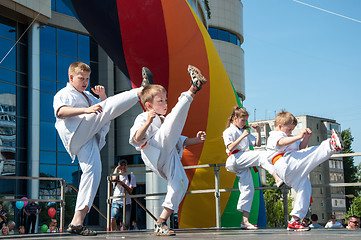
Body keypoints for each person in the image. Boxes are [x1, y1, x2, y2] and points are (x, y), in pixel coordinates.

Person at [53, 62, 143, 236]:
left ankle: (77, 222)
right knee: (103, 109)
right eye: (81, 78)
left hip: (88, 137)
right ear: (71, 77)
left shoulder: (87, 96)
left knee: (94, 172)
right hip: (76, 134)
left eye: (87, 78)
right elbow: (60, 112)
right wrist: (87, 110)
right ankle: (140, 91)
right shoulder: (63, 94)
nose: (85, 82)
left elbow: (107, 109)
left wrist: (102, 96)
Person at [129, 65, 207, 236]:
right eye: (160, 101)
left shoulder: (162, 120)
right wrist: (148, 121)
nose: (165, 103)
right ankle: (193, 88)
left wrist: (196, 139)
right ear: (149, 106)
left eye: (165, 100)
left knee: (181, 183)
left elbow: (177, 139)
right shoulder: (143, 117)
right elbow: (135, 139)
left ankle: (161, 221)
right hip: (154, 151)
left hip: (168, 155)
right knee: (172, 121)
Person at [266, 110, 343, 231]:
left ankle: (295, 219)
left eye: (292, 130)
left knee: (305, 187)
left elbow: (301, 148)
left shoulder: (289, 136)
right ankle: (331, 145)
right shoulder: (275, 135)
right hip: (283, 162)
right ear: (280, 126)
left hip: (291, 167)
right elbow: (281, 143)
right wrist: (298, 136)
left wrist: (306, 138)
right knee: (310, 153)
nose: (291, 132)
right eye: (289, 129)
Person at [222, 106, 283, 230]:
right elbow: (230, 148)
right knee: (261, 155)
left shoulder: (243, 131)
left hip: (243, 161)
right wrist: (243, 136)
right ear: (235, 118)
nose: (245, 123)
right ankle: (276, 176)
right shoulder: (229, 131)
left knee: (248, 189)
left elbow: (258, 144)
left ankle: (245, 221)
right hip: (235, 158)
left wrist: (258, 131)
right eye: (243, 120)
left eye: (246, 121)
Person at [111, 159, 136, 231]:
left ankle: (124, 235)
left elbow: (130, 190)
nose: (123, 167)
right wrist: (116, 169)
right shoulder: (117, 176)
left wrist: (123, 184)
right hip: (117, 200)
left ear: (127, 166)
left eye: (125, 165)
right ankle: (114, 233)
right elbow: (113, 179)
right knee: (113, 217)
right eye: (121, 165)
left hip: (127, 202)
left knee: (126, 224)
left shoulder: (131, 176)